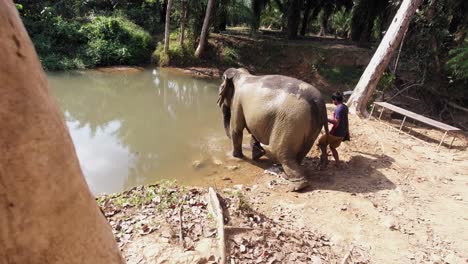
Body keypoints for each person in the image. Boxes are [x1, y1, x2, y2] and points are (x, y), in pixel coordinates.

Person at [318, 92, 350, 165]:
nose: (333, 102)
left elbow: (336, 122)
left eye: (333, 100)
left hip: (335, 133)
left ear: (335, 99)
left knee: (321, 143)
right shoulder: (345, 107)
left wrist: (326, 119)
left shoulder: (339, 109)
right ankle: (337, 162)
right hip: (342, 133)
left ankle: (325, 158)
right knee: (332, 147)